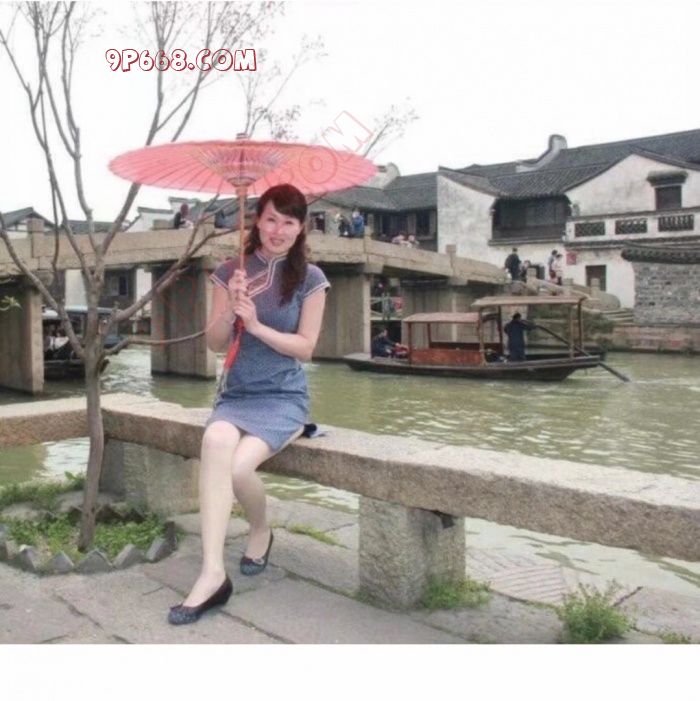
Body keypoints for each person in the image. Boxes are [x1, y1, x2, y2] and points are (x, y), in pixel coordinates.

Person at [168, 184, 330, 625]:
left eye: (289, 222)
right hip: (237, 395)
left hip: (283, 397)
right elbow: (216, 344)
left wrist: (256, 325)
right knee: (216, 439)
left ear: (301, 228)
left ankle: (260, 529)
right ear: (257, 220)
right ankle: (212, 573)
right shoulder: (230, 272)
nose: (278, 230)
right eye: (271, 218)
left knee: (240, 469)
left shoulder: (311, 279)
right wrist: (230, 310)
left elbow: (306, 348)